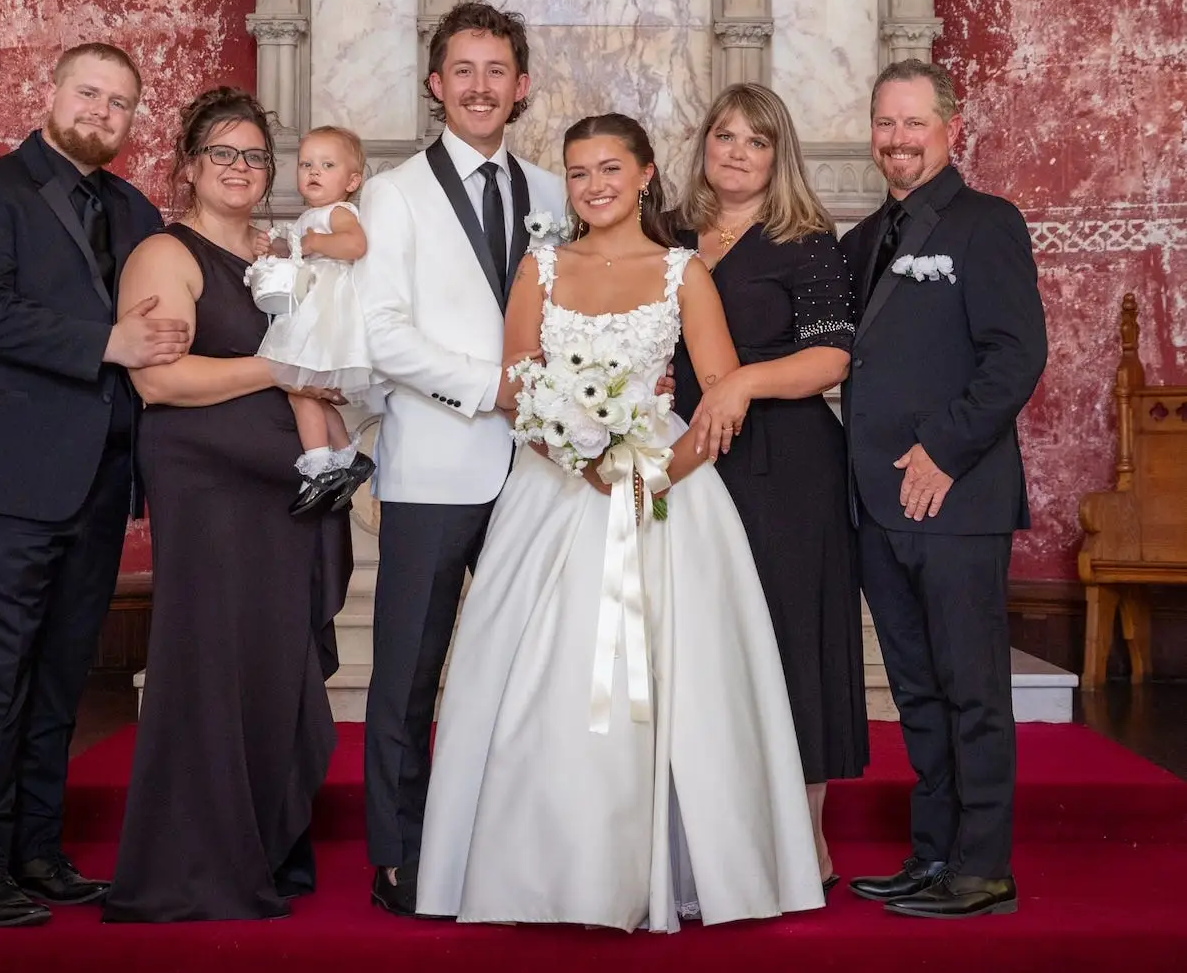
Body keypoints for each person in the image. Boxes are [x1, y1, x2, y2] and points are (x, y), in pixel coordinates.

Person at [416, 113, 824, 932]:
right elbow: (519, 384)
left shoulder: (683, 273)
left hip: (664, 488)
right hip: (552, 494)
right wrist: (571, 453)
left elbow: (719, 391)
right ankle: (545, 867)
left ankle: (675, 862)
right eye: (576, 172)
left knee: (675, 681)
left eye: (610, 167)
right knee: (540, 676)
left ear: (645, 175)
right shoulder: (538, 266)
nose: (593, 184)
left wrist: (650, 476)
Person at [0, 42, 183, 927]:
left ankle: (37, 848)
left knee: (63, 675)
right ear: (54, 94)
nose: (102, 113)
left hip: (102, 478)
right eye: (89, 94)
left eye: (120, 104)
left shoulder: (137, 207)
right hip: (1, 474)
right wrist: (108, 342)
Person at [102, 87, 353, 923]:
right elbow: (160, 379)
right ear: (188, 167)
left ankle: (265, 838)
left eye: (254, 156)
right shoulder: (163, 256)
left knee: (273, 668)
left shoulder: (277, 250)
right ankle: (197, 863)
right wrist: (276, 369)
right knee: (210, 665)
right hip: (209, 496)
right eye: (223, 154)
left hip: (284, 498)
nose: (240, 169)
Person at [352, 1, 566, 917]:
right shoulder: (392, 194)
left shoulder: (558, 194)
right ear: (436, 85)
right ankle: (401, 856)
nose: (481, 87)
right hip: (436, 466)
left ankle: (514, 845)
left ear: (522, 87)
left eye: (497, 71)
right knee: (408, 671)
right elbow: (384, 334)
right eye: (463, 71)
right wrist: (494, 387)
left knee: (530, 673)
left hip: (546, 472)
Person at [838, 60, 1046, 918]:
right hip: (877, 509)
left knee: (972, 690)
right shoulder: (860, 242)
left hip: (955, 501)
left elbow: (1015, 356)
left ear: (950, 128)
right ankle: (933, 855)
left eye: (913, 123)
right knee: (918, 692)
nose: (897, 140)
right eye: (885, 125)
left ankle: (983, 866)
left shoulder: (987, 224)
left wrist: (943, 452)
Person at [669, 83, 868, 890]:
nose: (738, 152)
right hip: (690, 460)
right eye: (725, 136)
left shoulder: (806, 239)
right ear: (704, 147)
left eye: (756, 140)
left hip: (788, 469)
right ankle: (714, 835)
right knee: (706, 643)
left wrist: (742, 383)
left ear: (778, 154)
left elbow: (833, 358)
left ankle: (804, 841)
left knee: (792, 638)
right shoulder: (670, 233)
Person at [248, 124, 380, 515]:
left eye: (326, 164)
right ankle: (346, 457)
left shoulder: (338, 213)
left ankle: (319, 465)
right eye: (306, 164)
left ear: (352, 180)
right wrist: (272, 246)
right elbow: (294, 254)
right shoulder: (310, 215)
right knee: (307, 389)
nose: (313, 172)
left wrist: (313, 243)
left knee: (299, 388)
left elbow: (355, 245)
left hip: (325, 316)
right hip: (308, 310)